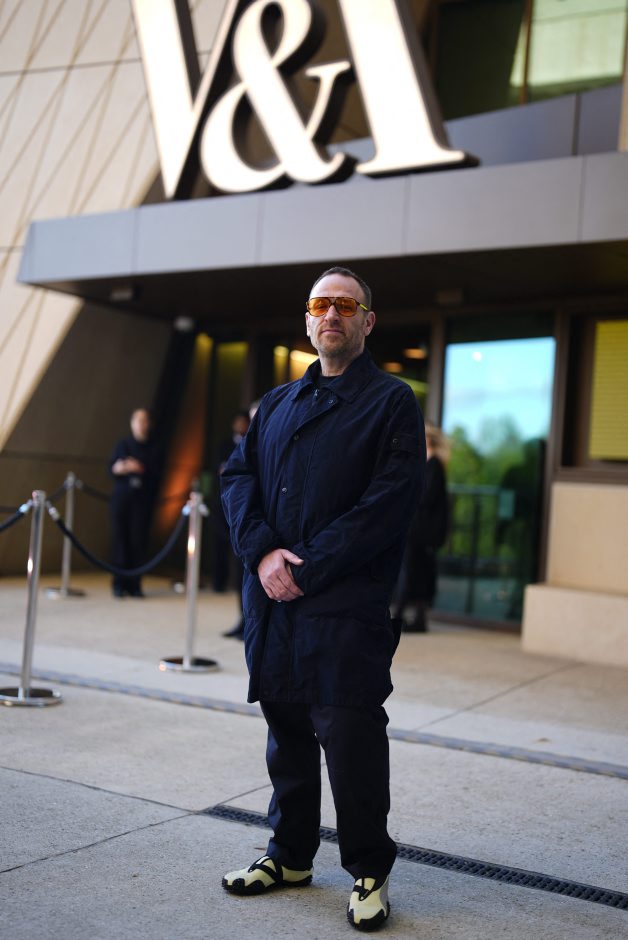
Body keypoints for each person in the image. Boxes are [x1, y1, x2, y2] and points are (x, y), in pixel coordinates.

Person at [220, 267, 425, 931]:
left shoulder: (391, 402)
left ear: (367, 321)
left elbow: (387, 505)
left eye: (346, 304)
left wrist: (302, 569)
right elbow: (237, 477)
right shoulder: (276, 403)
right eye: (320, 304)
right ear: (307, 321)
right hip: (273, 601)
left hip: (343, 604)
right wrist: (262, 553)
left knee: (350, 738)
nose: (331, 314)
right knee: (286, 735)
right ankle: (290, 856)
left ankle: (368, 869)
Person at [392, 424, 449, 632]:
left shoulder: (434, 465)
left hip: (421, 532)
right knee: (416, 571)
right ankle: (413, 618)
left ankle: (401, 616)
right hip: (419, 530)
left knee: (411, 571)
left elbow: (427, 497)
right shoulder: (428, 464)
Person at [108, 408, 159, 598]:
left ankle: (135, 585)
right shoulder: (123, 445)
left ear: (149, 424)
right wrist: (123, 467)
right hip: (121, 501)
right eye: (138, 420)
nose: (141, 424)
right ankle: (118, 584)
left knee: (138, 542)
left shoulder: (154, 447)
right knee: (120, 541)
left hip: (142, 502)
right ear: (132, 423)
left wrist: (137, 467)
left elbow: (154, 472)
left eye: (144, 420)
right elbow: (112, 468)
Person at [211, 410, 251, 638]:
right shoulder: (226, 445)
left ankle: (249, 623)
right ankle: (242, 620)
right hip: (232, 510)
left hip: (252, 515)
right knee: (239, 574)